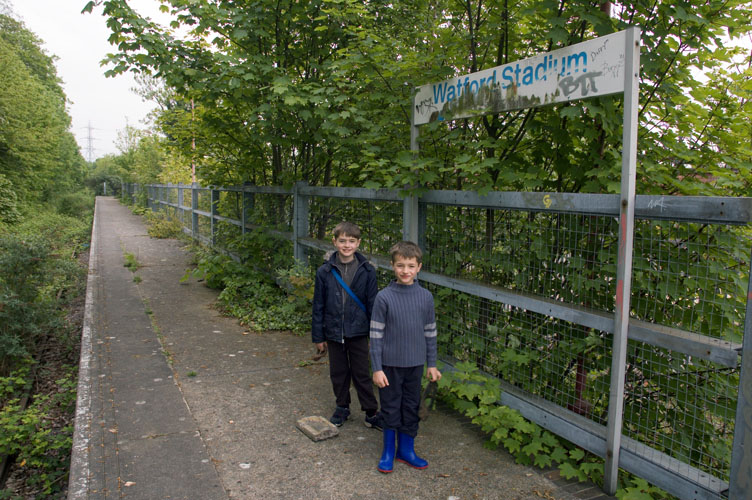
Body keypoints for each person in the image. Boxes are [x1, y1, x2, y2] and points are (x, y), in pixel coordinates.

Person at [370, 240, 441, 473]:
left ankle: (406, 450)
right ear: (392, 265)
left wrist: (432, 364)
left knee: (411, 406)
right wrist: (377, 368)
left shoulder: (425, 297)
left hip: (415, 364)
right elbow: (376, 336)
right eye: (400, 265)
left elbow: (430, 332)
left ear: (419, 267)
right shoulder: (384, 297)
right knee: (390, 407)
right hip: (389, 366)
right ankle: (388, 451)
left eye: (411, 266)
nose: (405, 271)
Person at [311, 221, 383, 429]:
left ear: (358, 243)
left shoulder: (367, 271)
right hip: (334, 331)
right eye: (342, 241)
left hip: (359, 331)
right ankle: (342, 407)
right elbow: (318, 305)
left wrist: (374, 335)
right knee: (338, 373)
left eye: (351, 241)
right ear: (334, 241)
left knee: (362, 373)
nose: (347, 245)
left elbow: (373, 304)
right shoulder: (324, 272)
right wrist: (318, 336)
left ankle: (371, 411)